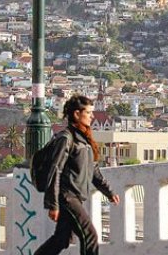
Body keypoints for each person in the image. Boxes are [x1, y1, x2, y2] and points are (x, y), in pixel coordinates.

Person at [35, 95, 120, 255]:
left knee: (62, 239)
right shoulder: (66, 138)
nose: (92, 116)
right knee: (90, 236)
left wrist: (108, 192)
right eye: (88, 113)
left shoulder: (84, 140)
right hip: (67, 197)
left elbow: (93, 170)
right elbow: (55, 170)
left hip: (76, 197)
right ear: (76, 114)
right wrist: (53, 204)